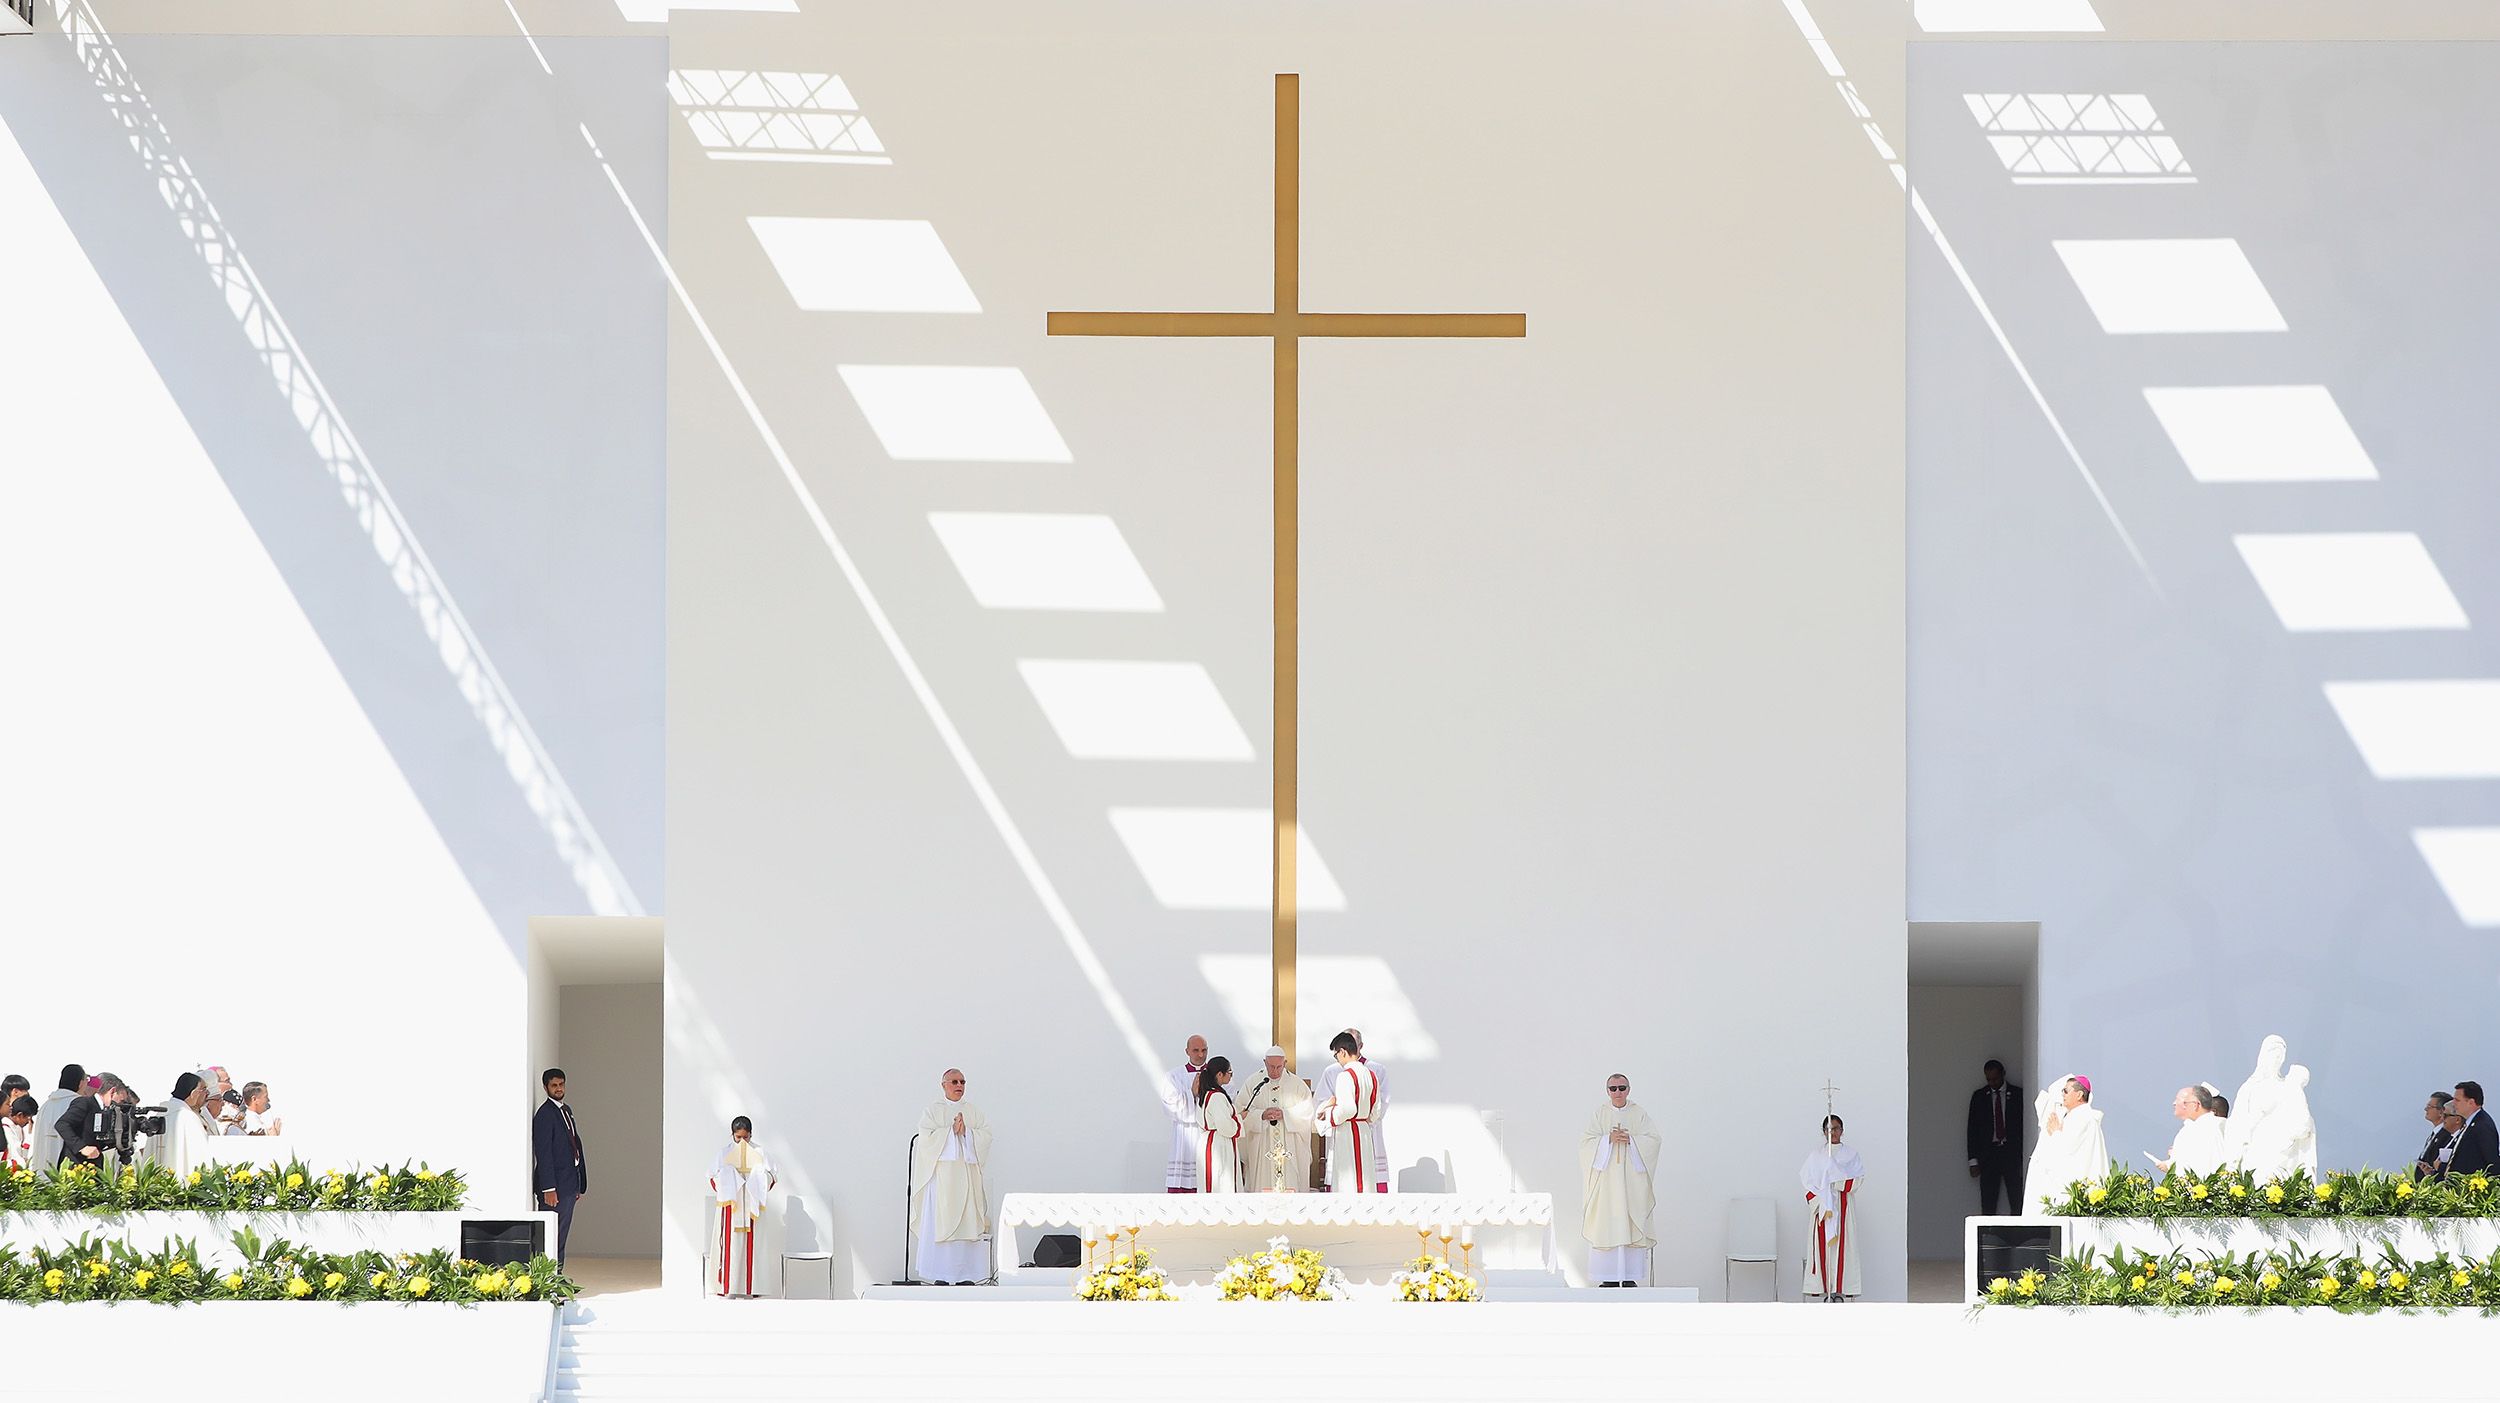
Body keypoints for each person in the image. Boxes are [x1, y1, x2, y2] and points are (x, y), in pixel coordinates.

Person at [910, 1068, 992, 1285]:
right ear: (943, 1085)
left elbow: (986, 1137)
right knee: (941, 1223)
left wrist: (967, 1133)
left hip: (967, 1178)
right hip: (941, 1181)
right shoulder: (932, 1111)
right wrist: (949, 1132)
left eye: (963, 1082)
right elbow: (925, 1140)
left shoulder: (973, 1111)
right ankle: (941, 1276)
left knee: (967, 1223)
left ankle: (967, 1275)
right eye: (954, 1081)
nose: (959, 1086)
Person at [1580, 1074, 1659, 1287]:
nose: (1618, 1092)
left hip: (1630, 1184)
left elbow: (1653, 1140)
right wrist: (1607, 1140)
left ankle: (1629, 1276)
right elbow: (1585, 1144)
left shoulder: (1638, 1113)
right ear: (1607, 1091)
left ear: (1628, 1089)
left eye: (1621, 1088)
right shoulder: (1600, 1114)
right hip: (1606, 1185)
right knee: (1606, 1223)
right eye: (1613, 1088)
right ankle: (1608, 1277)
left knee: (1630, 1221)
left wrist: (1632, 1141)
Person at [708, 1116, 777, 1298]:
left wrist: (758, 1178)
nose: (742, 1142)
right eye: (738, 1138)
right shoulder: (724, 1154)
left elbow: (772, 1177)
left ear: (751, 1135)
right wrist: (729, 1178)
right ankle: (727, 1288)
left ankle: (752, 1288)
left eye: (745, 1138)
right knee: (731, 1247)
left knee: (754, 1247)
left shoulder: (760, 1153)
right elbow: (712, 1178)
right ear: (732, 1135)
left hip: (753, 1207)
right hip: (732, 1207)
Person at [2023, 1074, 2108, 1211]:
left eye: (2066, 1091)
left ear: (2079, 1094)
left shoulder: (2084, 1118)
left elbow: (2068, 1152)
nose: (2062, 1094)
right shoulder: (2072, 1116)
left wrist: (2056, 1133)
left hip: (2075, 1187)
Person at [1802, 1115, 1864, 1302]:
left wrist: (1834, 1179)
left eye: (1836, 1128)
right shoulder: (1816, 1156)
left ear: (1842, 1130)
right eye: (1829, 1129)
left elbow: (1857, 1180)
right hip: (1823, 1210)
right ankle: (1825, 1289)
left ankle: (1840, 1289)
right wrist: (1820, 1201)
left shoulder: (1851, 1155)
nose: (1833, 1132)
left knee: (1843, 1249)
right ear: (1823, 1132)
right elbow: (1807, 1183)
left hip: (1843, 1210)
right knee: (1824, 1251)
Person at [1315, 1032, 1383, 1195]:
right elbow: (1376, 1111)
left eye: (1336, 1054)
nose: (1337, 1059)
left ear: (1343, 1052)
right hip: (1364, 1131)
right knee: (1364, 1177)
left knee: (1348, 1179)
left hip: (1348, 1132)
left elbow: (1347, 1109)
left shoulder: (1345, 1076)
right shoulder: (1371, 1075)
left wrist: (1328, 1113)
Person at [531, 1068, 587, 1264]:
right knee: (550, 1234)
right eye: (554, 1085)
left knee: (561, 1234)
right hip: (554, 1188)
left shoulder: (566, 1110)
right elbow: (544, 1153)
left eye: (561, 1084)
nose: (558, 1088)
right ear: (546, 1087)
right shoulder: (545, 1114)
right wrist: (549, 1188)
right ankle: (548, 1276)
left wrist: (577, 1185)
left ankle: (558, 1274)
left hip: (569, 1185)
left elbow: (573, 1146)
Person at [1965, 1060, 2024, 1215]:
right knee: (1988, 1201)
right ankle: (1988, 1236)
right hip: (1988, 1155)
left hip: (2011, 1153)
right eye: (1989, 1079)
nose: (1992, 1083)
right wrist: (1973, 1161)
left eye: (1995, 1079)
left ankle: (2018, 1236)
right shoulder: (1979, 1097)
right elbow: (1972, 1129)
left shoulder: (2018, 1095)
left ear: (2003, 1074)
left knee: (2017, 1198)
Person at [54, 1073, 134, 1169]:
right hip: (75, 1167)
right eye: (121, 1101)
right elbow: (62, 1124)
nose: (121, 1105)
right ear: (112, 1092)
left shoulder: (108, 1112)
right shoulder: (84, 1103)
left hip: (94, 1168)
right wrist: (82, 1147)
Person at [1163, 1035, 1207, 1193]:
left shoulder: (1218, 1074)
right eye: (1196, 1050)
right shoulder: (1173, 1076)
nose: (1200, 1055)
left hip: (1207, 1135)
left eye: (1204, 1050)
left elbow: (1226, 1101)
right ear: (1187, 1051)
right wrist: (1192, 1094)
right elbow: (1170, 1106)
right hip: (1183, 1136)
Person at [2153, 1084, 2227, 1178]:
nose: (2174, 1103)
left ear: (2195, 1105)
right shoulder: (2189, 1129)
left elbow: (2213, 1162)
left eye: (2181, 1101)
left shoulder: (2212, 1126)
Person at [156, 1072, 217, 1178]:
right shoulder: (188, 1117)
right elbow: (202, 1154)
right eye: (204, 1089)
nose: (207, 1093)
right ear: (193, 1093)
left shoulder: (160, 1113)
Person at [1196, 1058, 1239, 1194]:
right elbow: (1225, 1127)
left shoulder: (1206, 1093)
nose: (1230, 1076)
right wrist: (1239, 1119)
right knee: (1221, 1182)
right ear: (1220, 1074)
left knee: (1213, 1182)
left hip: (1209, 1141)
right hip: (1218, 1144)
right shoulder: (1217, 1097)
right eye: (1229, 1072)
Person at [30, 1064, 82, 1173]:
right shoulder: (77, 1103)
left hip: (41, 1163)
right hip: (65, 1168)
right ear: (81, 1083)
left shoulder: (46, 1104)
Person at [2450, 1082, 2498, 1179]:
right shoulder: (2469, 1124)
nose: (2453, 1103)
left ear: (2471, 1102)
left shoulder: (2482, 1126)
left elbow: (2491, 1161)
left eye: (2457, 1100)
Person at [2419, 1092, 2458, 1179]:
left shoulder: (2447, 1135)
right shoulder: (2434, 1134)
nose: (2425, 1109)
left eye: (2429, 1107)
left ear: (2441, 1112)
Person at [2, 1094, 37, 1172]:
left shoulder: (18, 1128)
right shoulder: (5, 1129)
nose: (29, 1122)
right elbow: (15, 1155)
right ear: (20, 1115)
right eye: (28, 1118)